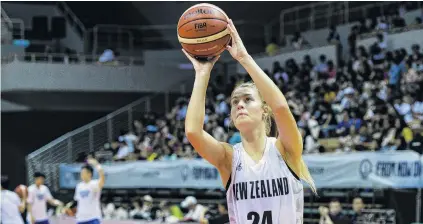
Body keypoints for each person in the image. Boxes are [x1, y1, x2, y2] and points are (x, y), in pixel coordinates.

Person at [183, 19, 316, 224]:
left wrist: (244, 58)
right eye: (234, 101)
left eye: (247, 99)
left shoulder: (285, 149)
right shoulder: (229, 158)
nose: (239, 105)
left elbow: (280, 108)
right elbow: (193, 131)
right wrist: (202, 73)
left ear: (264, 110)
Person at [74, 157, 105, 224]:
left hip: (93, 218)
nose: (81, 174)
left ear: (89, 174)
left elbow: (102, 180)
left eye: (83, 173)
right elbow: (79, 202)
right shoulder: (79, 186)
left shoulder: (94, 183)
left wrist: (97, 165)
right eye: (81, 173)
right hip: (81, 219)